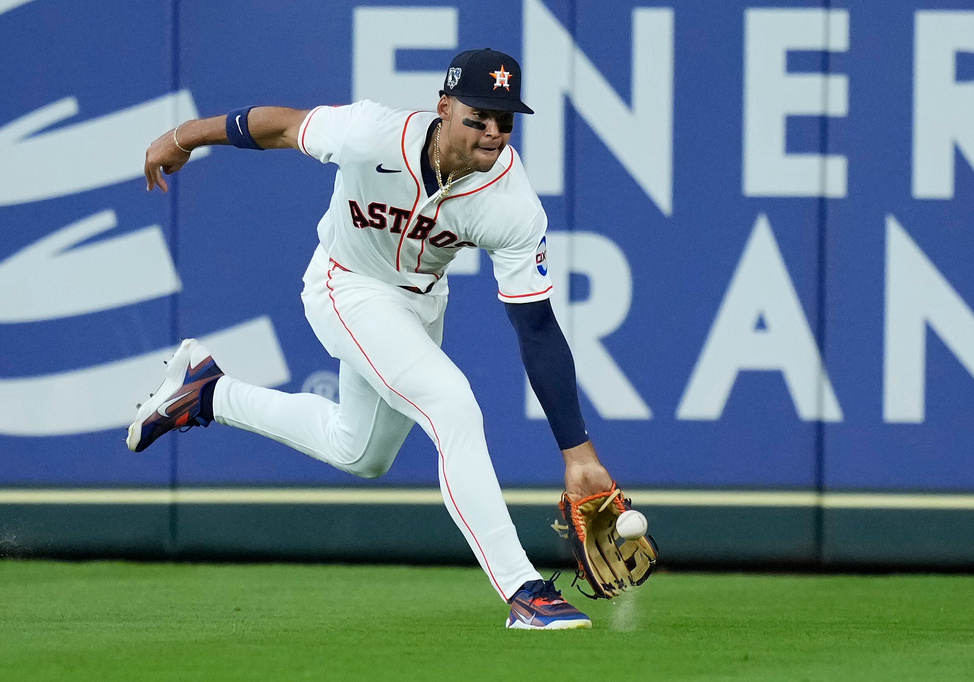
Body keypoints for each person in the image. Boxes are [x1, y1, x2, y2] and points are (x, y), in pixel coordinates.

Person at [129, 48, 615, 630]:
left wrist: (578, 454)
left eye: (504, 119)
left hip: (418, 303)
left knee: (359, 451)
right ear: (444, 107)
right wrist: (184, 136)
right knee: (451, 402)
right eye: (478, 116)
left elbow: (536, 327)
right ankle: (524, 591)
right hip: (346, 285)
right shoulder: (371, 134)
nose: (493, 132)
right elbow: (278, 125)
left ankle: (207, 393)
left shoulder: (512, 203)